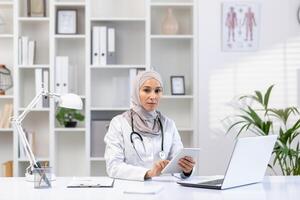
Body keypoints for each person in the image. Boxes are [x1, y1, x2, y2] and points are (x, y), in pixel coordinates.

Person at [104, 70, 195, 181]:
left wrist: (186, 170)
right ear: (136, 92)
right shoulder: (119, 123)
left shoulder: (168, 124)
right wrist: (148, 173)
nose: (153, 96)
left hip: (163, 191)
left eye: (158, 91)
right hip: (130, 190)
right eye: (146, 90)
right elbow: (113, 167)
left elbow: (177, 164)